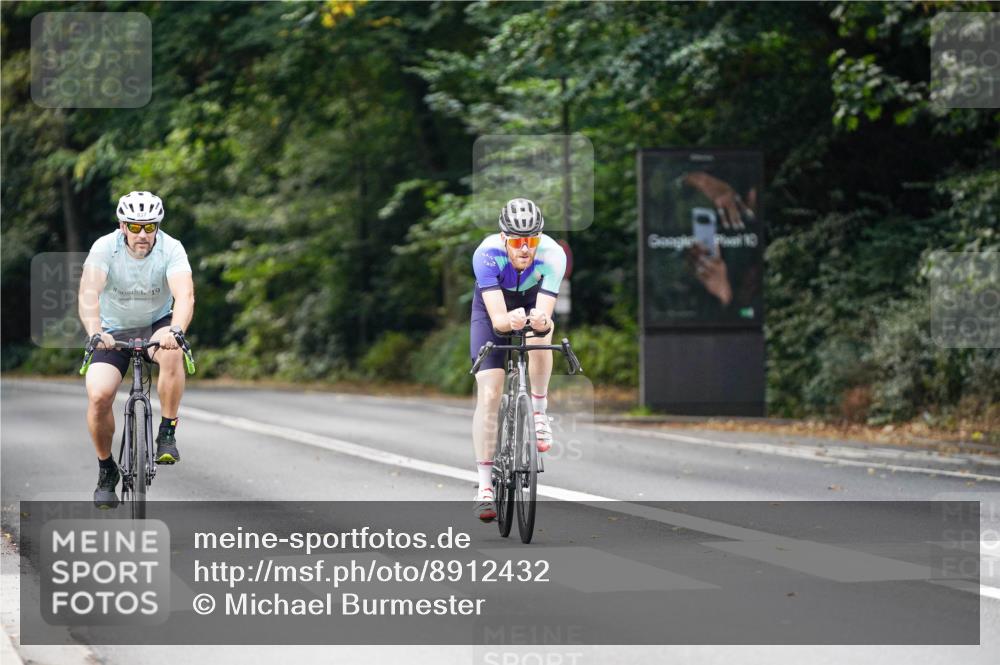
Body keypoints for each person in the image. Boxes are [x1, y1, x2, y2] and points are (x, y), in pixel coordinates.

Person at [78, 191, 195, 508]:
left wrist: (176, 330)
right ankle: (107, 470)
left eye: (149, 227)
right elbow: (89, 292)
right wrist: (96, 332)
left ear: (158, 226)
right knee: (99, 396)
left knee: (172, 352)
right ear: (122, 226)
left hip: (157, 324)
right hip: (112, 330)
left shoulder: (171, 248)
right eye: (134, 227)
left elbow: (184, 296)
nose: (142, 234)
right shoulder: (105, 247)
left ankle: (167, 432)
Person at [469, 198, 566, 522]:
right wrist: (508, 321)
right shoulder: (486, 254)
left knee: (541, 335)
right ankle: (485, 486)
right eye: (517, 242)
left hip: (532, 297)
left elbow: (545, 319)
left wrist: (540, 322)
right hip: (493, 308)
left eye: (531, 241)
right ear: (504, 238)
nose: (525, 249)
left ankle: (538, 412)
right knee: (490, 392)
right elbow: (499, 322)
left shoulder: (553, 255)